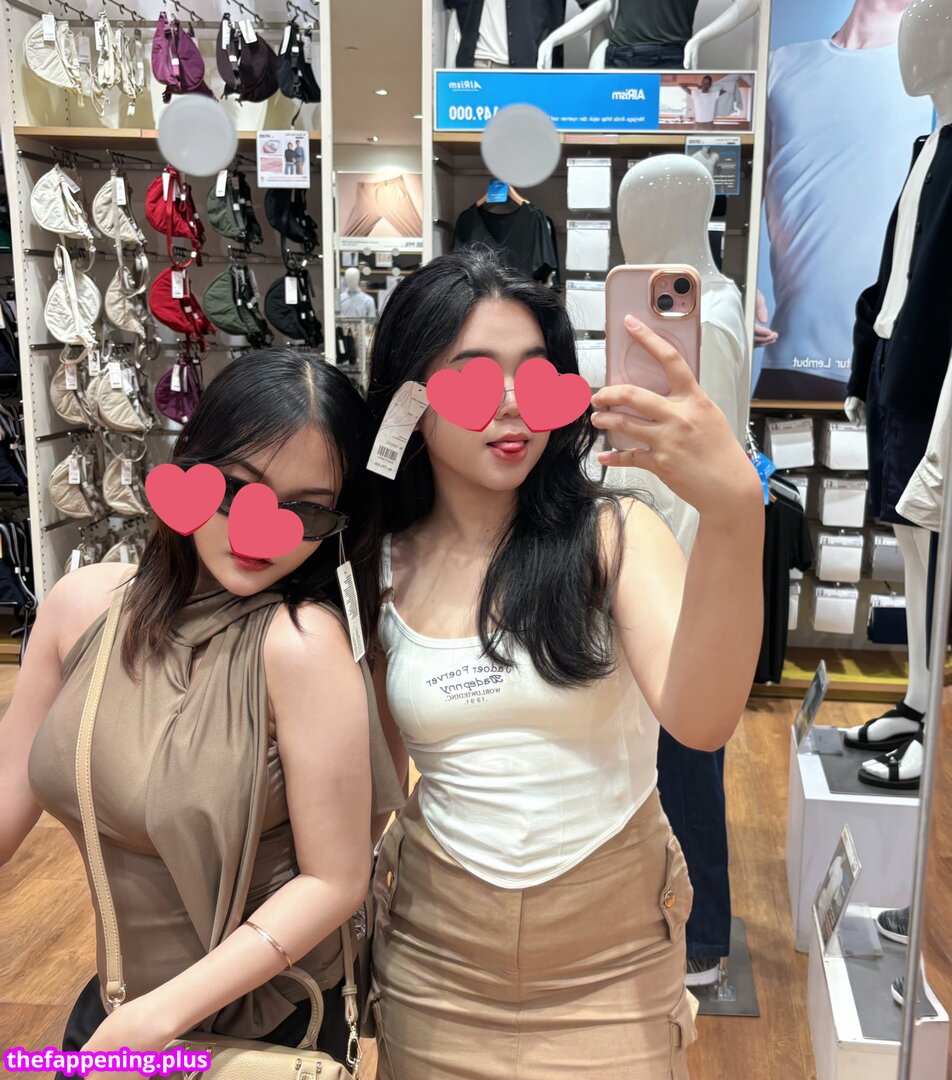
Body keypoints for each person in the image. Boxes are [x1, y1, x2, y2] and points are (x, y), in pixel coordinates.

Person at [364, 249, 764, 1077]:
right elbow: (375, 778)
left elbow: (701, 719)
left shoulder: (613, 536)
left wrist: (734, 511)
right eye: (474, 379)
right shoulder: (379, 565)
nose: (513, 404)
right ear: (410, 401)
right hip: (435, 953)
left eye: (536, 375)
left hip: (611, 958)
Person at [0, 351, 403, 1079]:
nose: (261, 529)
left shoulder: (302, 647)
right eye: (236, 489)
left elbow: (335, 880)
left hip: (257, 1029)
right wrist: (133, 1024)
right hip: (117, 1012)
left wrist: (155, 1021)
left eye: (306, 511)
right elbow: (7, 797)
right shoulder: (82, 607)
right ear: (190, 467)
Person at [753, 0, 932, 399]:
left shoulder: (934, 78)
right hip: (793, 359)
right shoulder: (780, 66)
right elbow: (734, 197)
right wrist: (738, 290)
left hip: (899, 364)